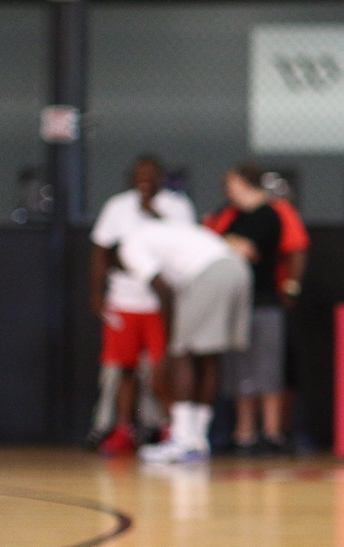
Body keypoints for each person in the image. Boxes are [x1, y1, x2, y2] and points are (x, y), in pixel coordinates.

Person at [88, 155, 197, 455]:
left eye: (151, 175)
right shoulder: (118, 206)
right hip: (124, 300)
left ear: (162, 177)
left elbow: (186, 244)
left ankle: (170, 429)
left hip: (164, 303)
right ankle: (125, 429)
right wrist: (97, 294)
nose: (144, 180)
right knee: (124, 369)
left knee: (164, 368)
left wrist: (154, 214)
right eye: (139, 175)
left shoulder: (178, 206)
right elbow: (100, 250)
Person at [118, 218, 249, 464]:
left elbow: (163, 289)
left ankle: (182, 440)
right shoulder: (166, 230)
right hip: (237, 269)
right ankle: (197, 439)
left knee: (183, 354)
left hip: (208, 274)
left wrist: (169, 340)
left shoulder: (129, 247)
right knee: (208, 356)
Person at [204, 165, 309, 454]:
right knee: (240, 370)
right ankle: (245, 433)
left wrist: (291, 287)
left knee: (268, 368)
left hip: (265, 299)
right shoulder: (229, 215)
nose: (226, 189)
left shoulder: (273, 212)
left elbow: (287, 249)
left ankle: (272, 432)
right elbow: (209, 241)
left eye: (231, 183)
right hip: (235, 302)